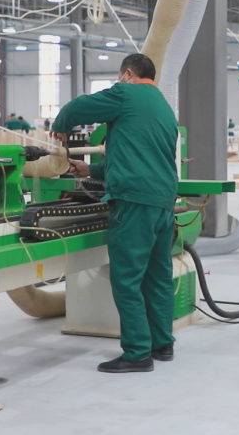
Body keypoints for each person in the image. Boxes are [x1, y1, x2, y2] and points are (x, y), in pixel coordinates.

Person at [52, 54, 178, 374]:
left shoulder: (125, 93)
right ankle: (162, 344)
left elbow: (77, 107)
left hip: (133, 202)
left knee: (127, 279)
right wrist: (91, 169)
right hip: (162, 202)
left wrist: (60, 127)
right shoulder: (163, 106)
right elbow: (138, 153)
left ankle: (137, 353)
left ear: (128, 73)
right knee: (158, 276)